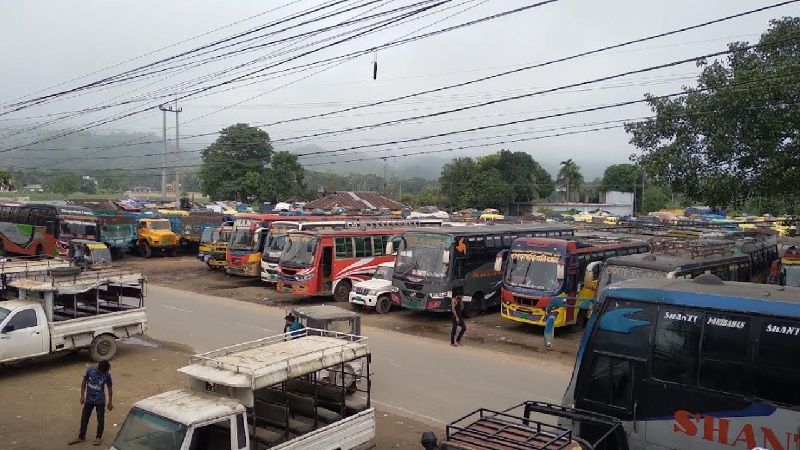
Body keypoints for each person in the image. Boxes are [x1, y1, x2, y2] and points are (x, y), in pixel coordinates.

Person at [69, 360, 113, 446]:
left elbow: (110, 388)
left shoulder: (107, 375)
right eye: (100, 371)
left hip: (100, 401)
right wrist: (82, 396)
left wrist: (110, 402)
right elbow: (83, 382)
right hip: (89, 399)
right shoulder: (90, 370)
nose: (101, 373)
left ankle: (98, 437)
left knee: (100, 419)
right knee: (84, 418)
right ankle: (81, 436)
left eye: (103, 372)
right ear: (98, 368)